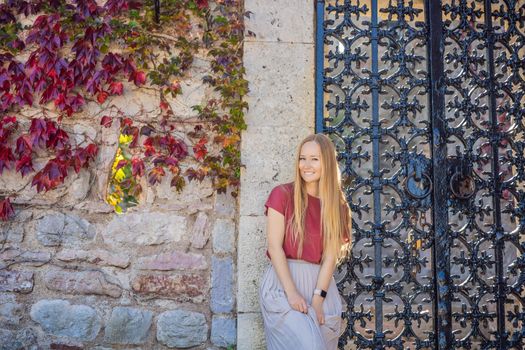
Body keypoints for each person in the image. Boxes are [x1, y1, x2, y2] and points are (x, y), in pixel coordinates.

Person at [259, 133, 352, 350]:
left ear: (327, 163)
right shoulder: (282, 195)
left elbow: (330, 257)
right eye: (302, 158)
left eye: (314, 159)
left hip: (320, 288)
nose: (306, 165)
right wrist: (291, 292)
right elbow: (274, 248)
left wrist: (317, 301)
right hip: (283, 284)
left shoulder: (337, 206)